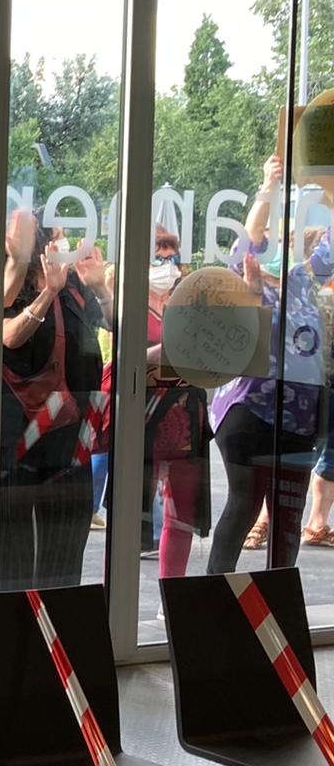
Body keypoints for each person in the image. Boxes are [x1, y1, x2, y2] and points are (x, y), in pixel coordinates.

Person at [208, 154, 331, 572]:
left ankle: (276, 610)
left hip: (298, 420)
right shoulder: (247, 277)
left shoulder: (302, 281)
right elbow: (251, 235)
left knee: (287, 523)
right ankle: (214, 600)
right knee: (242, 508)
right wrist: (268, 185)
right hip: (250, 413)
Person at [0, 208, 111, 591]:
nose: (62, 245)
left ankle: (57, 634)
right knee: (12, 550)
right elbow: (8, 337)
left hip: (71, 435)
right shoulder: (12, 283)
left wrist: (101, 288)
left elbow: (117, 327)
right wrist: (48, 293)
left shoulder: (77, 286)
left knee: (64, 549)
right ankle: (16, 634)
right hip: (19, 436)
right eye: (56, 237)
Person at [141, 229, 210, 578]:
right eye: (158, 254)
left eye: (171, 254)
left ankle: (172, 591)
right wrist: (167, 349)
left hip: (185, 415)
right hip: (143, 417)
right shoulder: (128, 303)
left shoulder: (189, 304)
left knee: (180, 514)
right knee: (132, 515)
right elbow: (121, 361)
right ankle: (115, 598)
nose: (166, 262)